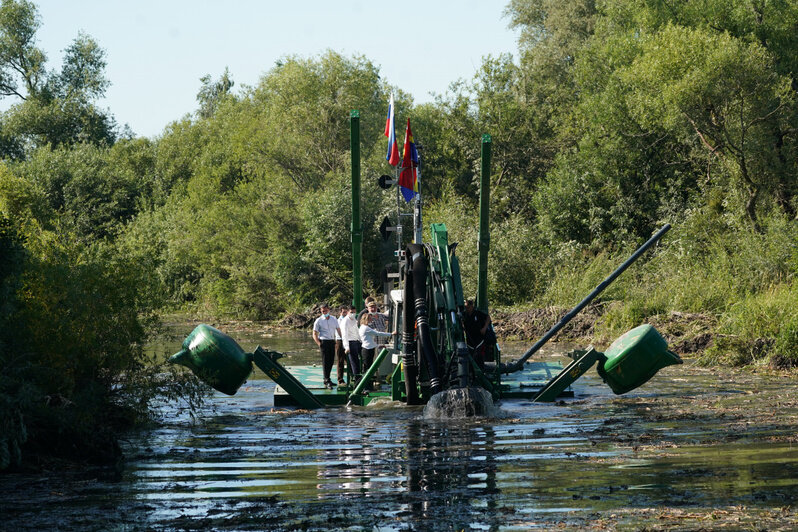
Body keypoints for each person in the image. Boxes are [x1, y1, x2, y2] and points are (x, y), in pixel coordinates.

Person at [358, 314, 394, 389]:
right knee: (368, 369)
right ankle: (365, 386)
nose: (371, 321)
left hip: (369, 349)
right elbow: (378, 333)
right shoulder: (366, 328)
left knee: (369, 368)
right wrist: (391, 334)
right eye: (370, 319)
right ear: (366, 320)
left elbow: (369, 340)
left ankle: (368, 385)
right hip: (367, 350)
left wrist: (378, 345)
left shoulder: (363, 327)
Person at [312, 303, 341, 389]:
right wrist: (319, 343)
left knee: (331, 361)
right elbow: (314, 333)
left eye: (325, 310)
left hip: (332, 341)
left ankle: (328, 378)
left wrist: (341, 339)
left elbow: (338, 329)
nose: (324, 312)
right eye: (322, 311)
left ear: (329, 310)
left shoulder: (334, 319)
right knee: (325, 361)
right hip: (324, 341)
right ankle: (326, 379)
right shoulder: (319, 320)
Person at [463, 298, 492, 370]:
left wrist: (485, 328)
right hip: (469, 341)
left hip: (479, 340)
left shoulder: (477, 314)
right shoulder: (464, 315)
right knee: (471, 359)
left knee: (479, 358)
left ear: (472, 306)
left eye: (468, 307)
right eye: (465, 307)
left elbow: (488, 317)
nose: (467, 309)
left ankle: (481, 372)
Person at [341, 305, 362, 381]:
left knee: (362, 359)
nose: (353, 313)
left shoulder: (354, 320)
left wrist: (360, 341)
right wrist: (346, 347)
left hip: (356, 341)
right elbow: (344, 335)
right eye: (351, 312)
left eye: (354, 312)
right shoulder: (345, 321)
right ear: (347, 312)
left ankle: (360, 377)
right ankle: (357, 380)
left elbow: (357, 331)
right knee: (354, 362)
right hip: (350, 342)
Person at [334, 306, 348, 386]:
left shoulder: (349, 320)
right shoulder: (338, 321)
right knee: (340, 360)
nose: (345, 314)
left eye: (346, 312)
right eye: (343, 312)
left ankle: (352, 376)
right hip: (340, 340)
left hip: (348, 340)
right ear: (340, 313)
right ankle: (340, 379)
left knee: (349, 360)